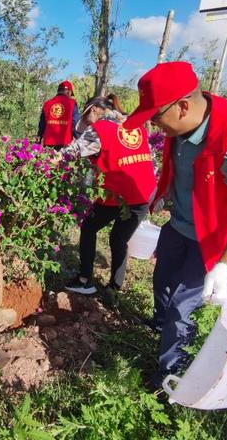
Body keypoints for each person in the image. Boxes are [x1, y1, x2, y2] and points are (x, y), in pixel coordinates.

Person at [122, 62, 227, 389]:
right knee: (162, 280)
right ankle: (160, 328)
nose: (154, 125)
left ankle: (169, 378)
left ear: (183, 107)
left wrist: (224, 267)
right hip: (179, 226)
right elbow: (183, 168)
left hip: (212, 239)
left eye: (155, 117)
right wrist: (164, 195)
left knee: (182, 307)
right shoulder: (182, 126)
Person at [61, 94, 157, 307]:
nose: (86, 124)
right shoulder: (134, 125)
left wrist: (43, 162)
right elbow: (150, 161)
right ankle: (114, 289)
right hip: (142, 193)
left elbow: (70, 152)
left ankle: (85, 280)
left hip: (120, 195)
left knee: (88, 228)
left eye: (86, 117)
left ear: (94, 110)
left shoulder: (101, 129)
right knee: (118, 239)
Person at [38, 80, 80, 149]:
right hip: (65, 144)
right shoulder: (72, 103)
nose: (70, 96)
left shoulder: (47, 104)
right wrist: (79, 139)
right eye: (71, 94)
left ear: (58, 91)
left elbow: (41, 125)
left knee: (50, 160)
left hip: (48, 145)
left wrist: (38, 141)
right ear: (68, 91)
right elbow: (75, 123)